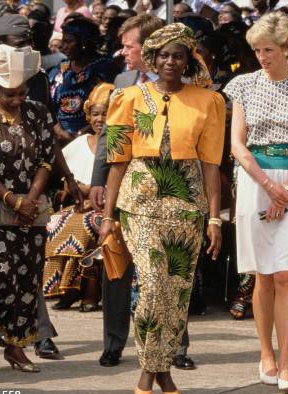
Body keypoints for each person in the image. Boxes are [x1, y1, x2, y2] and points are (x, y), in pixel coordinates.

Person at [98, 23, 224, 394]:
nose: (171, 62)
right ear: (152, 59)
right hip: (140, 203)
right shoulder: (128, 98)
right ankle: (149, 366)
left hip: (187, 206)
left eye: (179, 55)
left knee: (178, 292)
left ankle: (162, 370)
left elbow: (211, 167)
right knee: (152, 285)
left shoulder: (208, 102)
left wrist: (215, 218)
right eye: (164, 55)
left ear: (188, 61)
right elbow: (116, 162)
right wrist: (107, 217)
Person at [224, 12, 288, 393]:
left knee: (286, 274)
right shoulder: (243, 85)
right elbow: (237, 144)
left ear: (286, 48)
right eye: (257, 50)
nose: (262, 56)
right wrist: (269, 186)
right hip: (255, 180)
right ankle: (265, 353)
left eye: (268, 49)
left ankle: (286, 364)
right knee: (262, 275)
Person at [87, 14, 176, 370]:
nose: (122, 52)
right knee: (116, 264)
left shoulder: (180, 80)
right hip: (122, 186)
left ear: (149, 47)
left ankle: (175, 345)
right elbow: (110, 135)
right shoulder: (123, 81)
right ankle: (113, 343)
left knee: (170, 267)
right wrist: (98, 178)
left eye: (129, 45)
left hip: (169, 188)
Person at [0, 44, 55, 372]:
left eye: (21, 93)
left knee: (28, 277)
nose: (18, 100)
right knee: (1, 275)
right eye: (10, 94)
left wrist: (30, 199)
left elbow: (47, 159)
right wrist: (10, 198)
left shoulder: (38, 112)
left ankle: (16, 347)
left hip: (32, 208)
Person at [43, 83, 114, 312]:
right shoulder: (81, 142)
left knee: (85, 226)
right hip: (79, 204)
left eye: (106, 113)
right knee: (55, 222)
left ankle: (89, 292)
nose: (100, 119)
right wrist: (78, 188)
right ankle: (68, 289)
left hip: (107, 207)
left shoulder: (119, 144)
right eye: (95, 113)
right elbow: (65, 178)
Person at [50, 17, 117, 144]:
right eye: (63, 41)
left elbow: (112, 108)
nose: (63, 46)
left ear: (84, 43)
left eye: (69, 41)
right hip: (60, 140)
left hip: (96, 139)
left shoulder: (104, 69)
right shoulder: (59, 70)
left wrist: (82, 135)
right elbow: (49, 107)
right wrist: (59, 131)